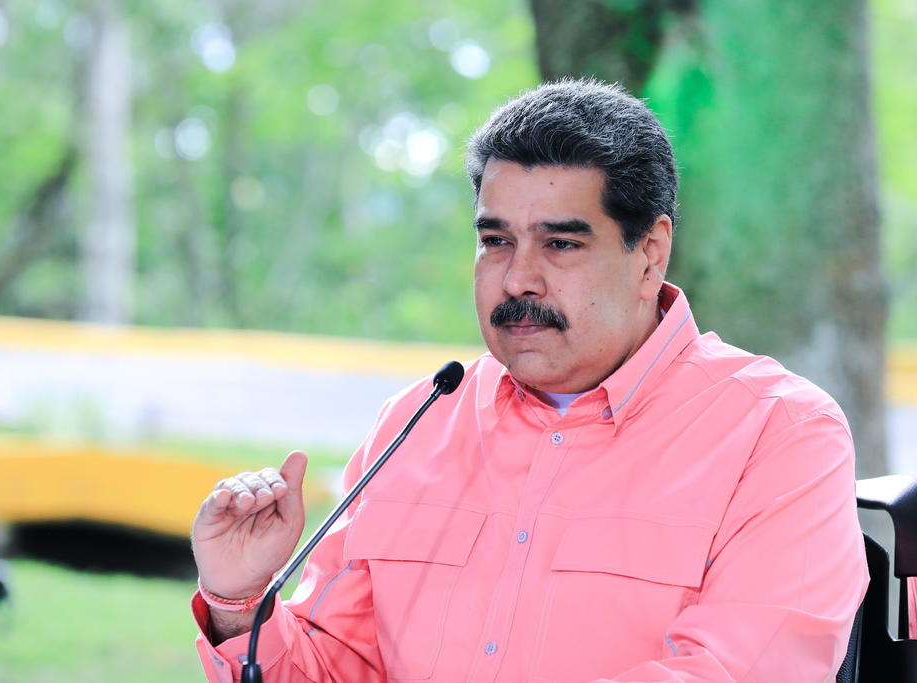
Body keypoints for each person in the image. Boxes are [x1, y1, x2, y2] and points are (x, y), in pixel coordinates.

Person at [189, 78, 868, 682]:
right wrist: (238, 604)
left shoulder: (779, 432)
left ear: (650, 255)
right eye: (496, 241)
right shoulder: (418, 420)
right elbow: (335, 669)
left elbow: (736, 672)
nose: (517, 279)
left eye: (561, 243)